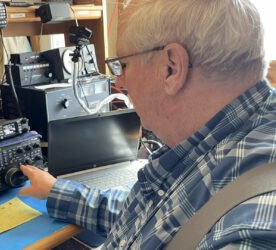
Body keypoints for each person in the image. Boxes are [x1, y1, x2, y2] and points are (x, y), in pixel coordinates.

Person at [19, 0, 276, 248]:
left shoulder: (253, 226)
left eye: (124, 65)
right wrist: (57, 191)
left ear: (171, 68)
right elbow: (158, 217)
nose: (119, 84)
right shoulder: (215, 141)